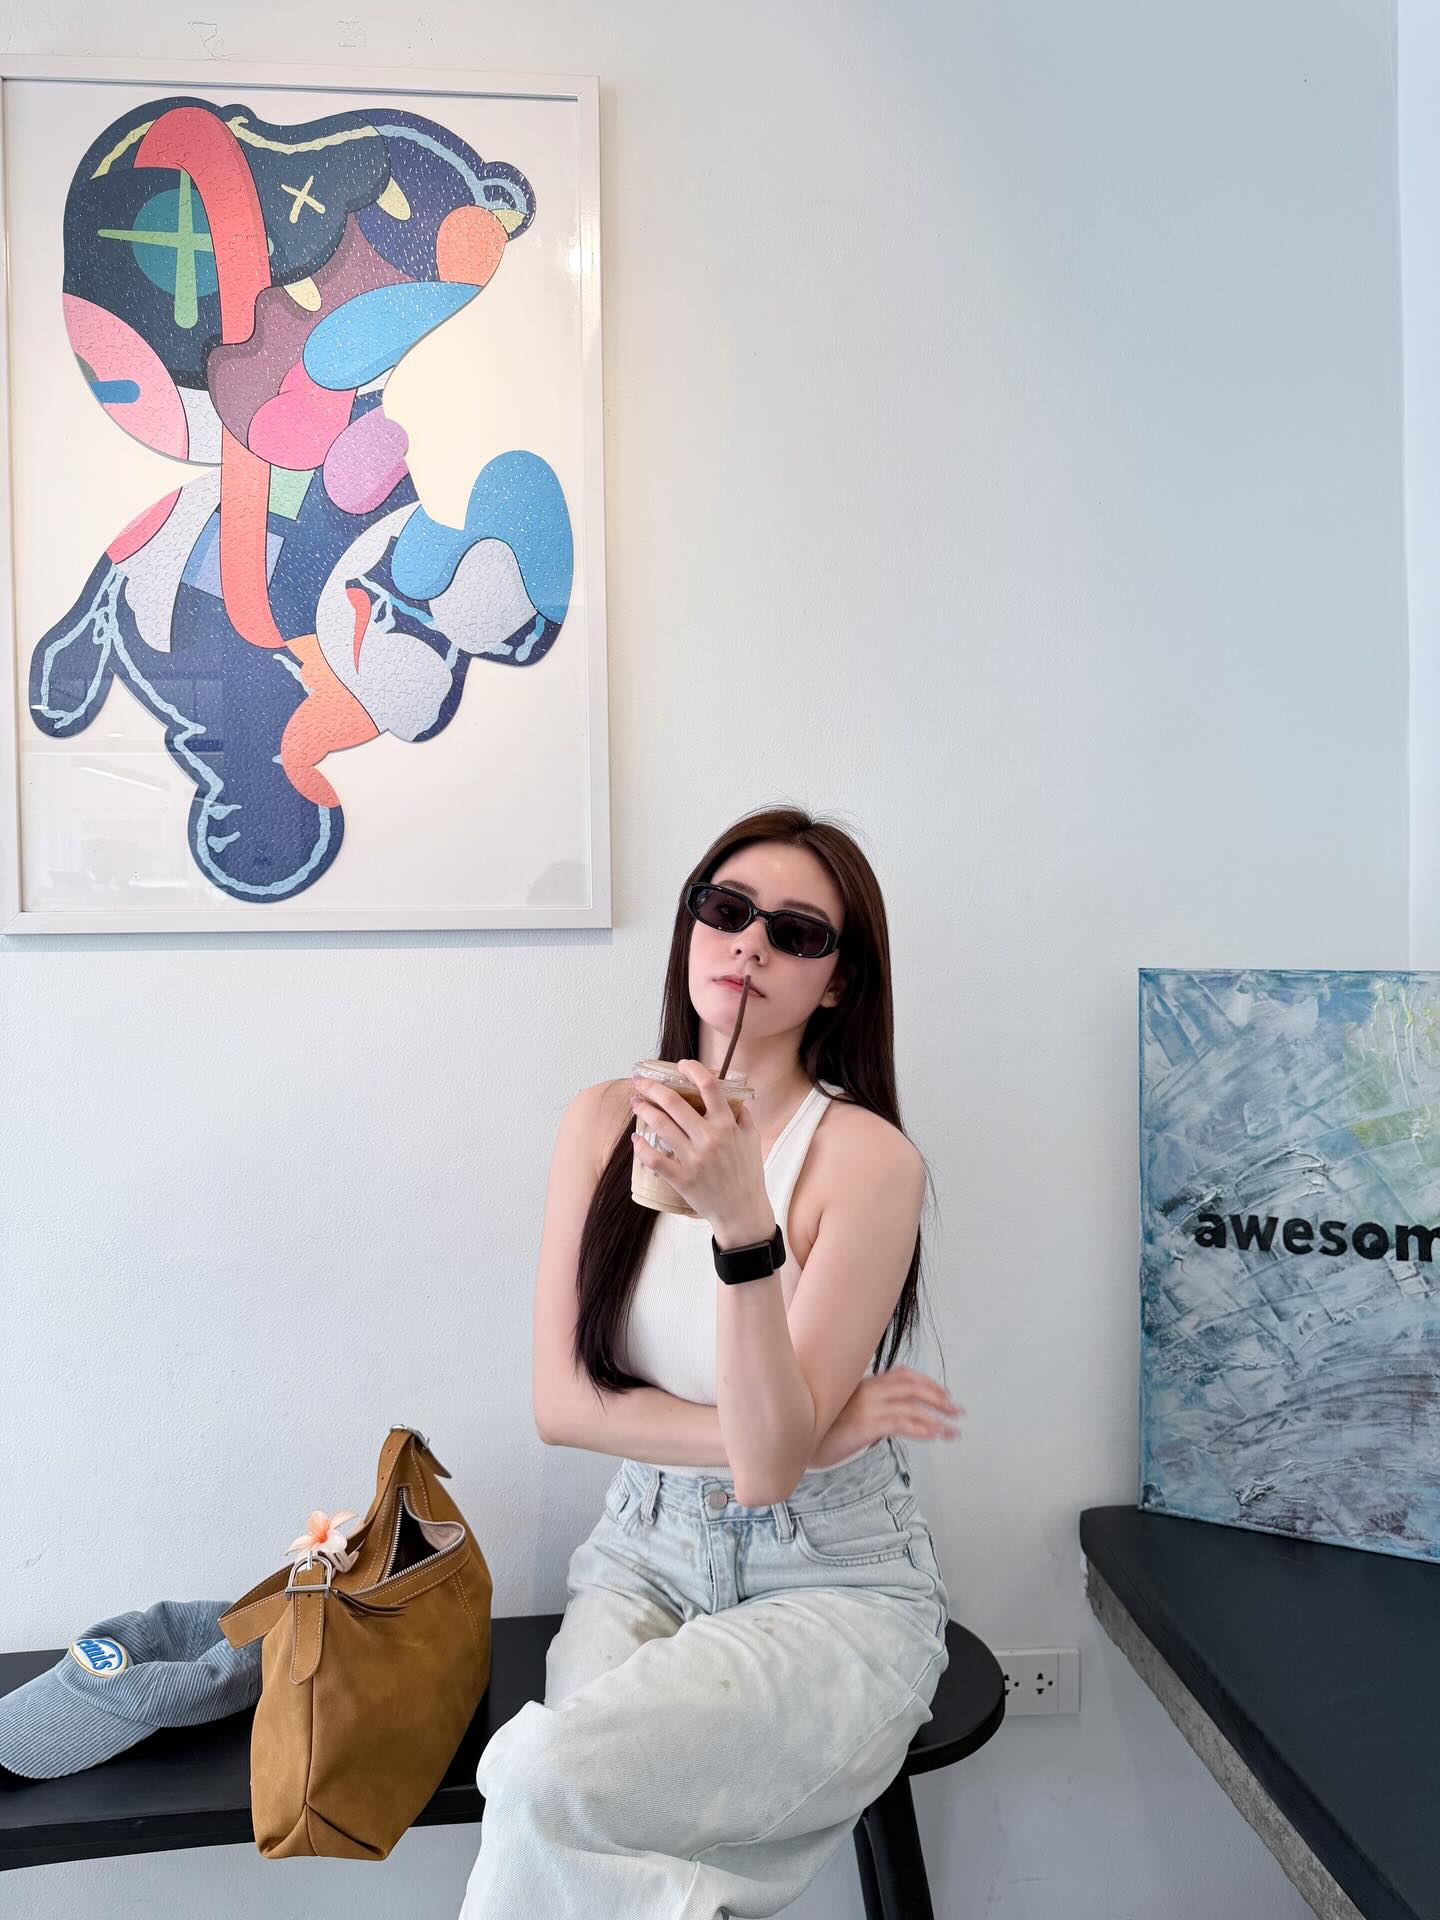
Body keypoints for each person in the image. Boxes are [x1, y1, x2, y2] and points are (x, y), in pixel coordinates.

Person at [458, 805, 963, 1919]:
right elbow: (562, 1406)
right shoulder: (602, 1120)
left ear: (836, 982)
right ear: (692, 928)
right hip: (640, 1554)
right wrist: (807, 1430)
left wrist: (744, 1221)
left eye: (796, 932)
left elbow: (771, 1474)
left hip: (832, 1580)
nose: (750, 945)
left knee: (535, 1781)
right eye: (727, 910)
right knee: (558, 1815)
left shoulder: (868, 1162)